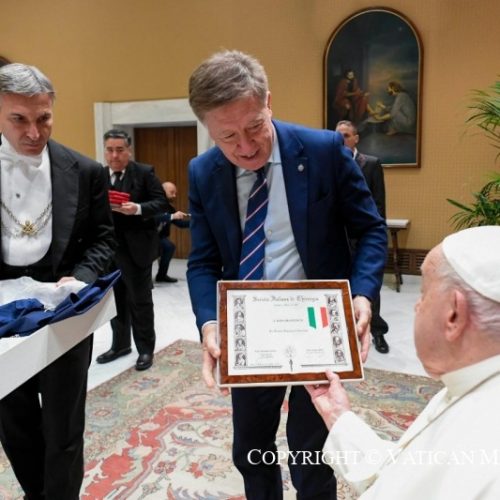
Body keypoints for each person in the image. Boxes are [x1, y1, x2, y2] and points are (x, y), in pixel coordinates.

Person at [186, 50, 387, 499]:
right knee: (251, 449)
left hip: (318, 324)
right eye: (227, 136)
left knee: (311, 452)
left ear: (268, 102)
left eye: (255, 126)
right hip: (250, 329)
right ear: (208, 129)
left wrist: (363, 295)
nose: (246, 147)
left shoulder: (323, 151)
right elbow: (202, 260)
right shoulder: (203, 172)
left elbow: (370, 229)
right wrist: (209, 323)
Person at [306, 225, 500, 499]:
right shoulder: (465, 387)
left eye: (423, 294)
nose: (416, 306)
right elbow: (401, 475)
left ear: (454, 314)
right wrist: (337, 415)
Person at [0, 63, 115, 499]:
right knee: (13, 421)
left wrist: (80, 279)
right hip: (2, 310)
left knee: (64, 425)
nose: (34, 132)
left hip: (64, 305)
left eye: (44, 118)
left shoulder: (84, 170)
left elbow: (104, 238)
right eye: (19, 119)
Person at [96, 129, 168, 371]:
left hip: (137, 249)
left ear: (129, 150)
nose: (114, 155)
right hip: (108, 250)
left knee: (140, 301)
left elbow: (161, 203)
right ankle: (120, 345)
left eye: (120, 150)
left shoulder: (145, 173)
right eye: (109, 150)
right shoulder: (99, 174)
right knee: (115, 300)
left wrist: (137, 208)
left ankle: (145, 349)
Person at [336, 120, 389, 353]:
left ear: (356, 138)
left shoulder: (371, 164)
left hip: (363, 236)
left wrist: (375, 236)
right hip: (339, 238)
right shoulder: (331, 162)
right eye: (338, 136)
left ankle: (377, 331)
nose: (342, 140)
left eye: (346, 135)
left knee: (368, 288)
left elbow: (378, 204)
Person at [155, 181, 190, 283]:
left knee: (169, 247)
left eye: (175, 193)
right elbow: (155, 218)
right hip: (146, 236)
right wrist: (172, 216)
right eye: (172, 192)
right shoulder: (153, 203)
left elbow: (180, 224)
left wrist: (196, 221)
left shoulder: (169, 208)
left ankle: (161, 275)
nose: (174, 195)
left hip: (159, 237)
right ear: (163, 191)